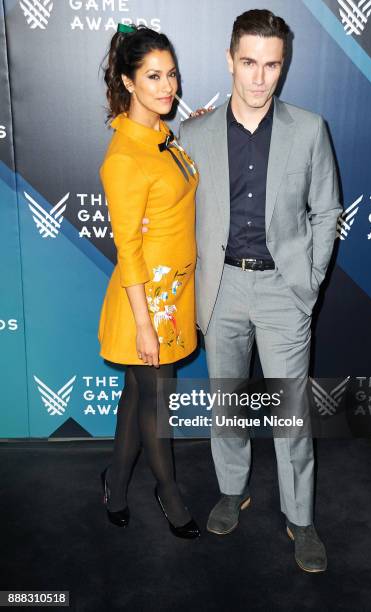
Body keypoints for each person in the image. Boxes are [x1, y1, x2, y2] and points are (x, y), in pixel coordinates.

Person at [177, 9, 342, 570]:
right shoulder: (192, 134)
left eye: (271, 65)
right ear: (229, 60)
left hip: (282, 291)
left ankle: (301, 518)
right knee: (229, 403)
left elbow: (326, 210)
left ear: (282, 66)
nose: (259, 77)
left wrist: (308, 285)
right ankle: (232, 489)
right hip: (219, 288)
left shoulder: (310, 129)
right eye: (248, 62)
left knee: (290, 414)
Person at [97, 23, 200, 539]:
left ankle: (115, 484)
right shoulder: (123, 158)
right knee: (155, 405)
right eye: (153, 77)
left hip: (175, 294)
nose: (167, 86)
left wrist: (191, 128)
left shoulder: (161, 134)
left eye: (172, 74)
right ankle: (170, 493)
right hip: (147, 305)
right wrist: (144, 326)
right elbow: (128, 249)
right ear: (128, 82)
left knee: (136, 401)